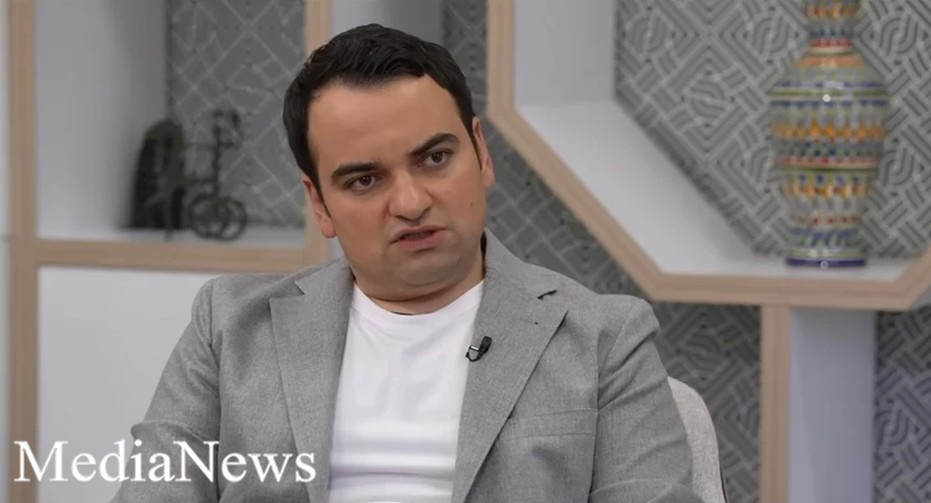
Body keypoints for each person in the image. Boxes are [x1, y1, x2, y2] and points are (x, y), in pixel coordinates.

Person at [112, 24, 703, 503]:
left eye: (435, 158)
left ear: (481, 153)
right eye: (364, 180)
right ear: (319, 203)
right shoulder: (229, 326)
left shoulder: (604, 339)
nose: (411, 202)